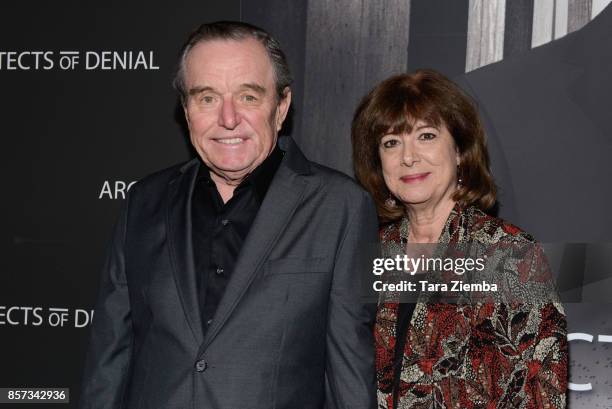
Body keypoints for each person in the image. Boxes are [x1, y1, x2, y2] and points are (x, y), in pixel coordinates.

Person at [79, 21, 378, 409]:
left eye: (248, 97)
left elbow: (348, 369)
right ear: (186, 110)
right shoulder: (144, 201)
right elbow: (109, 360)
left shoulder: (341, 206)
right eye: (206, 98)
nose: (228, 118)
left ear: (281, 105)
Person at [351, 69, 568, 408]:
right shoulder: (369, 253)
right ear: (378, 164)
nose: (408, 157)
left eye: (425, 136)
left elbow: (543, 391)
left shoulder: (509, 253)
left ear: (459, 152)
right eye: (391, 143)